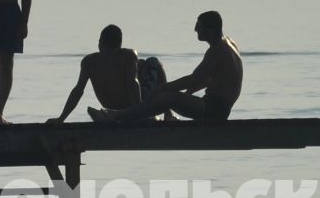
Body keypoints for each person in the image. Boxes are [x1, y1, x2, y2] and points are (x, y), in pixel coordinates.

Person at [90, 10, 242, 123]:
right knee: (168, 95)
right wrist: (189, 93)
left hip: (214, 109)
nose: (195, 29)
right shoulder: (229, 44)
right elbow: (210, 79)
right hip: (218, 106)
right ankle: (125, 114)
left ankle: (115, 115)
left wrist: (163, 88)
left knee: (168, 97)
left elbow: (193, 79)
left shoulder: (216, 51)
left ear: (210, 30)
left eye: (199, 26)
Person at [47, 25, 142, 123]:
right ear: (120, 44)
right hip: (130, 108)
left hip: (109, 106)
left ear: (100, 42)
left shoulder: (89, 61)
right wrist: (139, 113)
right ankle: (133, 113)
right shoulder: (129, 55)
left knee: (141, 64)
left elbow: (78, 90)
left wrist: (61, 118)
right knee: (151, 62)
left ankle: (110, 114)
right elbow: (133, 83)